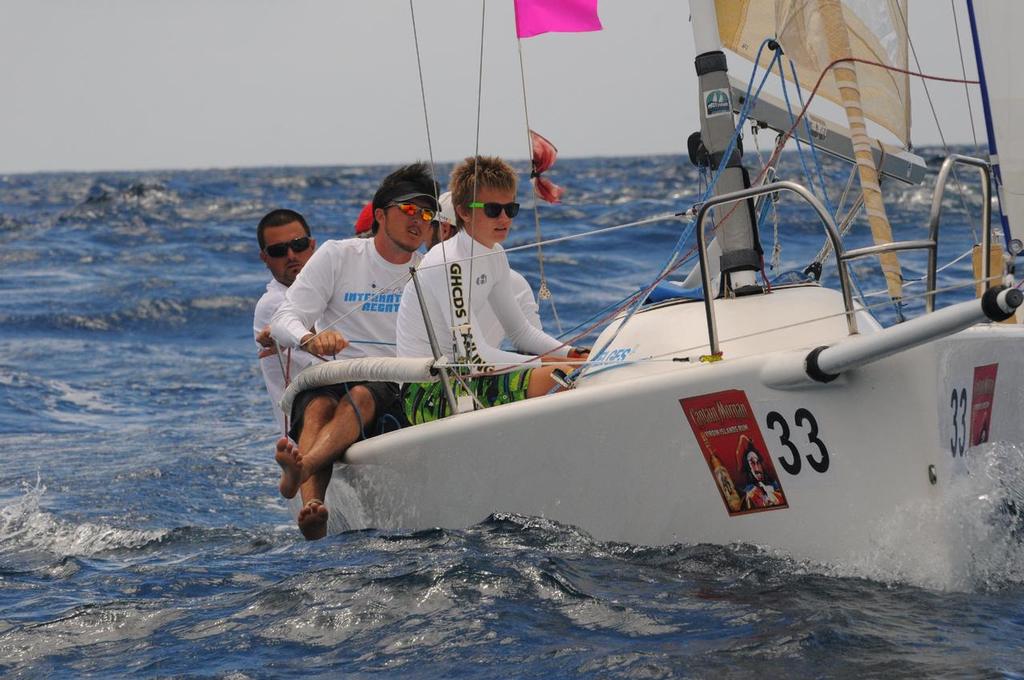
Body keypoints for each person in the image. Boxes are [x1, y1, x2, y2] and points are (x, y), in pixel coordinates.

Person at [270, 162, 439, 539]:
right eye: (410, 210)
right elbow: (285, 317)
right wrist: (310, 339)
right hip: (334, 377)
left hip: (392, 385)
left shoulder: (430, 270)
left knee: (363, 394)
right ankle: (314, 507)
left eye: (428, 214)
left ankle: (303, 469)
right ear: (379, 215)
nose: (420, 221)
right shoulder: (337, 255)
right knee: (317, 405)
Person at [396, 155, 586, 425]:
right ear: (463, 211)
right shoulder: (449, 262)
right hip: (427, 392)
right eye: (493, 210)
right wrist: (549, 365)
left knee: (577, 368)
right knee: (557, 377)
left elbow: (521, 333)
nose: (505, 218)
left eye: (511, 209)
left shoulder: (495, 254)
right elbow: (474, 358)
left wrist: (574, 354)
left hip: (466, 378)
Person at [427, 191, 542, 346]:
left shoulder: (421, 273)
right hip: (489, 367)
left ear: (444, 230)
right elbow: (535, 348)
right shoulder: (516, 282)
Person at [253, 209, 319, 441]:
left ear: (312, 245)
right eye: (279, 251)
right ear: (265, 258)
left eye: (298, 245)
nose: (291, 255)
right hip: (304, 435)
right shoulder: (273, 305)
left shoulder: (326, 291)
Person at [736, 437, 786, 510]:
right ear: (747, 467)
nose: (757, 468)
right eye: (752, 463)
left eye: (758, 462)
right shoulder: (749, 493)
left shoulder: (773, 484)